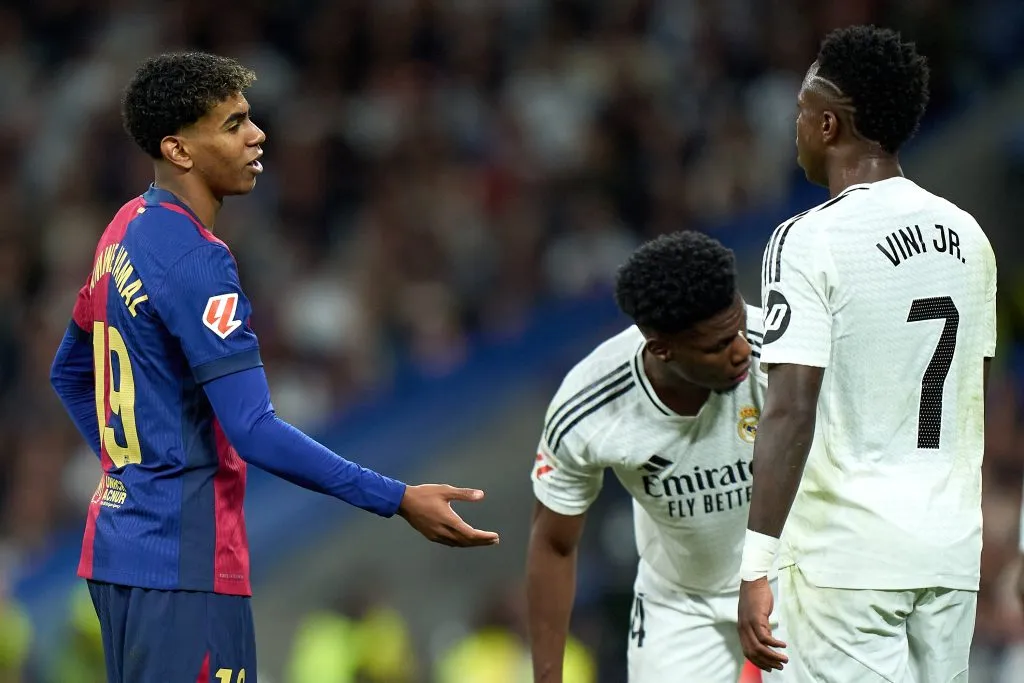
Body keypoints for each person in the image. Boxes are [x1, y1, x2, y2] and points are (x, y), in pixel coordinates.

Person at [48, 51, 499, 683]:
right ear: (178, 150)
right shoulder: (197, 261)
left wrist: (130, 471)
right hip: (186, 566)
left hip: (119, 555)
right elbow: (254, 430)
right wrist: (397, 498)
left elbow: (69, 372)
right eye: (233, 124)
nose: (257, 135)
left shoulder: (123, 230)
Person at [737, 25, 997, 682]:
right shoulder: (970, 236)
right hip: (948, 549)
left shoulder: (807, 240)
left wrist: (755, 565)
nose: (795, 126)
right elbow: (975, 394)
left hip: (845, 559)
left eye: (801, 110)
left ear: (828, 125)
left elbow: (789, 410)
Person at [527, 230, 781, 682]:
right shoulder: (589, 408)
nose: (743, 348)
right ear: (662, 348)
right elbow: (554, 544)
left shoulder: (785, 353)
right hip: (680, 600)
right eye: (719, 345)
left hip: (795, 577)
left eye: (741, 326)